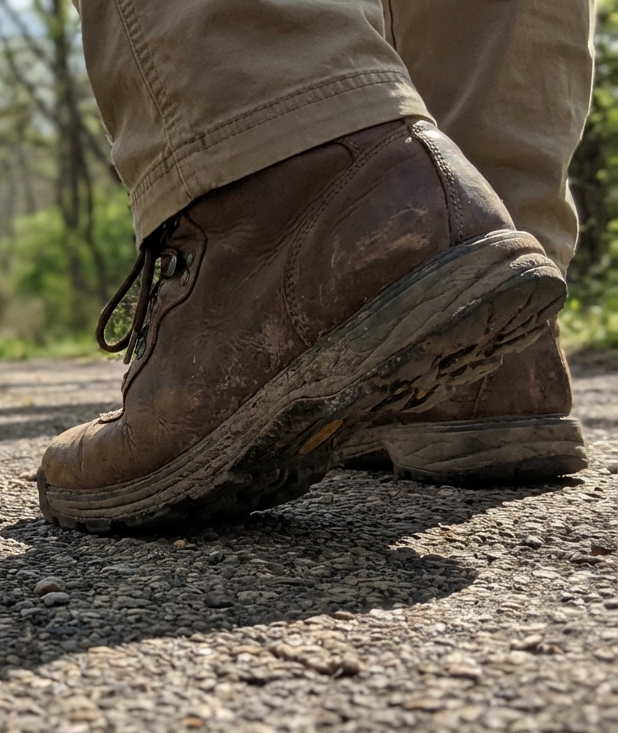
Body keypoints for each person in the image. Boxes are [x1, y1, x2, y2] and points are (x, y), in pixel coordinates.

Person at [36, 0, 595, 532]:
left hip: (277, 159)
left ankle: (279, 164)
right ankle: (492, 318)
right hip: (475, 229)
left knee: (286, 123)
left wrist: (287, 119)